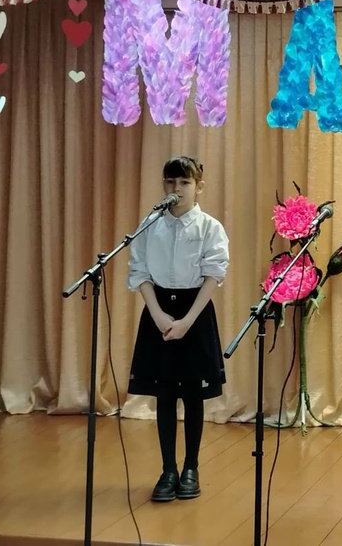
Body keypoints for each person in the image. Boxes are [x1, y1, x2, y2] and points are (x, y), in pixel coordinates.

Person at [127, 156, 229, 502]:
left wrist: (187, 321)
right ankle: (168, 469)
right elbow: (139, 270)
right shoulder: (150, 224)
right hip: (159, 311)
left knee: (193, 394)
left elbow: (214, 274)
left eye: (185, 182)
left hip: (194, 312)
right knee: (165, 393)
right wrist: (157, 314)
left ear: (199, 187)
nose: (177, 188)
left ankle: (191, 468)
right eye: (171, 182)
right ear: (163, 185)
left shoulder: (210, 227)